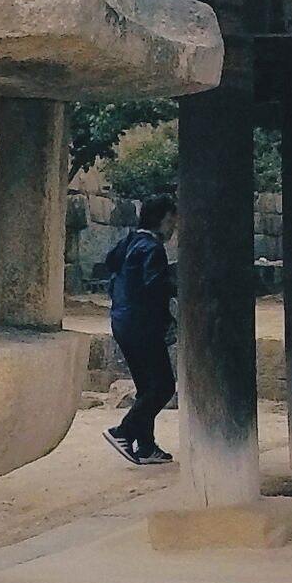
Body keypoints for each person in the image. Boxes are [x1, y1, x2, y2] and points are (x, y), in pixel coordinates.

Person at [98, 193, 177, 466]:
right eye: (171, 221)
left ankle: (146, 446)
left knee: (147, 387)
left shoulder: (129, 241)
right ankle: (123, 431)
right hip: (142, 325)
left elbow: (113, 268)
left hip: (122, 322)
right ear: (160, 220)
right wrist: (173, 299)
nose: (173, 228)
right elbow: (154, 288)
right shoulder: (152, 248)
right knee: (164, 386)